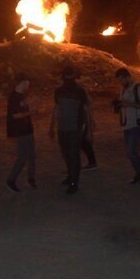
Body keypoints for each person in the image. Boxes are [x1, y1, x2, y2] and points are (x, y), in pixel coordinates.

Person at [49, 66, 92, 194]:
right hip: (65, 127)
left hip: (74, 127)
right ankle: (71, 177)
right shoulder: (61, 91)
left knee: (72, 155)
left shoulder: (78, 91)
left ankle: (74, 182)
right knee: (67, 154)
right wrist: (52, 126)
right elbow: (56, 108)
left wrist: (89, 126)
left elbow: (86, 109)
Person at [114, 68, 140, 184]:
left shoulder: (138, 88)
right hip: (127, 125)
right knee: (131, 152)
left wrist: (128, 104)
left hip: (137, 124)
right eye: (119, 80)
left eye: (122, 80)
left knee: (132, 152)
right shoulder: (123, 88)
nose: (121, 82)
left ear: (127, 77)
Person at [6, 74, 38, 193]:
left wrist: (33, 106)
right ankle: (11, 180)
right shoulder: (14, 97)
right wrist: (30, 112)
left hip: (27, 129)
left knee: (32, 155)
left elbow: (24, 109)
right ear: (23, 82)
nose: (29, 85)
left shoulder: (21, 96)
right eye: (28, 82)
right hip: (20, 130)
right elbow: (15, 115)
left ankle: (31, 178)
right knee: (22, 157)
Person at [80, 90, 98, 171]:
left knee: (84, 142)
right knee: (84, 143)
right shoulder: (84, 98)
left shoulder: (82, 98)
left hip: (83, 123)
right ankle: (92, 162)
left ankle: (92, 162)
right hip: (83, 122)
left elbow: (87, 112)